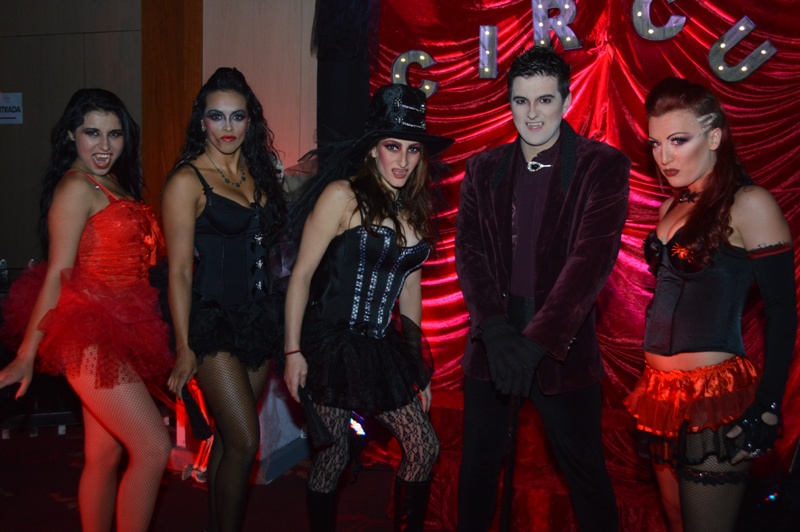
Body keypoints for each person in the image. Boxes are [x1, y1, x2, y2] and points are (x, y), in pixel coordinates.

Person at [455, 45, 630, 531]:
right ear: (509, 103)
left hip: (560, 347)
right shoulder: (483, 168)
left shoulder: (602, 166)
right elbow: (469, 254)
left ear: (566, 101)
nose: (532, 114)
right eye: (521, 101)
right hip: (492, 344)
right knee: (478, 470)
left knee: (586, 475)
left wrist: (533, 347)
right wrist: (495, 331)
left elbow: (589, 264)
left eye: (545, 100)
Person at [624, 77, 797, 532]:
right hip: (659, 394)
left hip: (715, 397)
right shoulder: (670, 208)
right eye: (656, 143)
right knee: (677, 521)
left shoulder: (750, 203)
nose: (664, 157)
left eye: (678, 140)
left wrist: (768, 405)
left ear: (715, 137)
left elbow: (782, 309)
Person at [0, 89, 173, 532]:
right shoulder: (77, 186)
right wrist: (26, 355)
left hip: (124, 326)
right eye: (92, 132)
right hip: (89, 332)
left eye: (114, 134)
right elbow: (57, 275)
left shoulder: (112, 181)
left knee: (104, 454)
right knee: (153, 447)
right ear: (70, 136)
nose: (104, 145)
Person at [283, 83, 453, 532]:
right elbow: (301, 275)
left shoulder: (414, 210)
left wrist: (417, 368)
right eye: (392, 146)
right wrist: (292, 351)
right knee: (333, 455)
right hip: (330, 344)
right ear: (373, 148)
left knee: (424, 447)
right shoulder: (343, 195)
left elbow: (410, 292)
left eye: (412, 149)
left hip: (380, 348)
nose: (402, 160)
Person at [161, 67, 287, 532]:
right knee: (245, 441)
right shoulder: (187, 181)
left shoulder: (259, 173)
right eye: (217, 116)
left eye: (238, 116)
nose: (228, 127)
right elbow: (178, 270)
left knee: (230, 441)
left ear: (250, 121)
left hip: (257, 321)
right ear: (202, 122)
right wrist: (183, 346)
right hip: (212, 323)